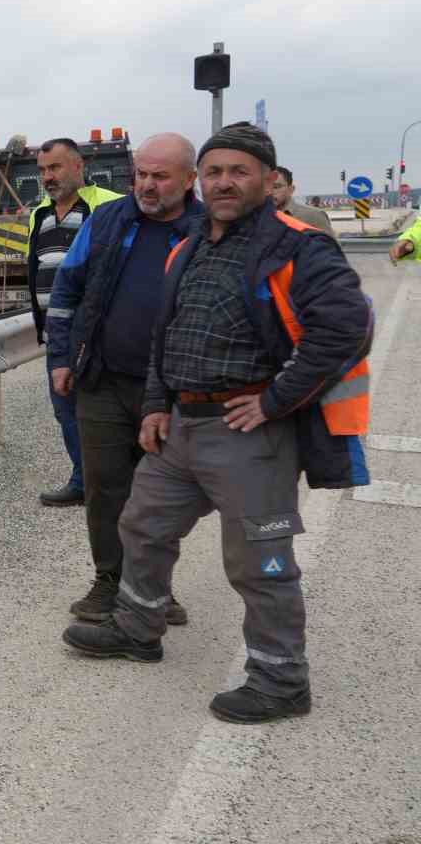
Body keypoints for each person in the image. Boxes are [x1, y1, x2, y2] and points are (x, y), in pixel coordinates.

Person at [62, 123, 373, 724]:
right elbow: (166, 335)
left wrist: (277, 399)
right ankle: (138, 626)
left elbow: (348, 326)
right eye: (214, 172)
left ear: (268, 178)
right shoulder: (192, 246)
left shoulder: (299, 247)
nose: (224, 182)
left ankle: (281, 679)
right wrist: (156, 404)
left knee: (258, 560)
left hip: (250, 432)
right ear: (199, 181)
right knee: (142, 525)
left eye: (238, 171)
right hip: (181, 424)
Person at [46, 133, 202, 626]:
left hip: (175, 389)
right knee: (106, 486)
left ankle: (153, 587)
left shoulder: (209, 230)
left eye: (161, 176)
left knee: (160, 495)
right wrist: (62, 357)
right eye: (141, 174)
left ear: (189, 180)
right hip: (104, 379)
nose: (147, 185)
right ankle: (110, 580)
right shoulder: (108, 221)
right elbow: (67, 287)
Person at [28, 137, 122, 507]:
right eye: (42, 170)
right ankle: (85, 481)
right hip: (58, 335)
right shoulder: (39, 215)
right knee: (65, 410)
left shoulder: (110, 206)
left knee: (106, 412)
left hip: (102, 334)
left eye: (55, 167)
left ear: (79, 166)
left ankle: (114, 483)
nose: (48, 177)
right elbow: (37, 272)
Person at [270, 166, 332, 233]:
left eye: (276, 187)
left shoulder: (313, 216)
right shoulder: (260, 218)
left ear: (291, 189)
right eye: (264, 186)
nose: (270, 191)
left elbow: (328, 243)